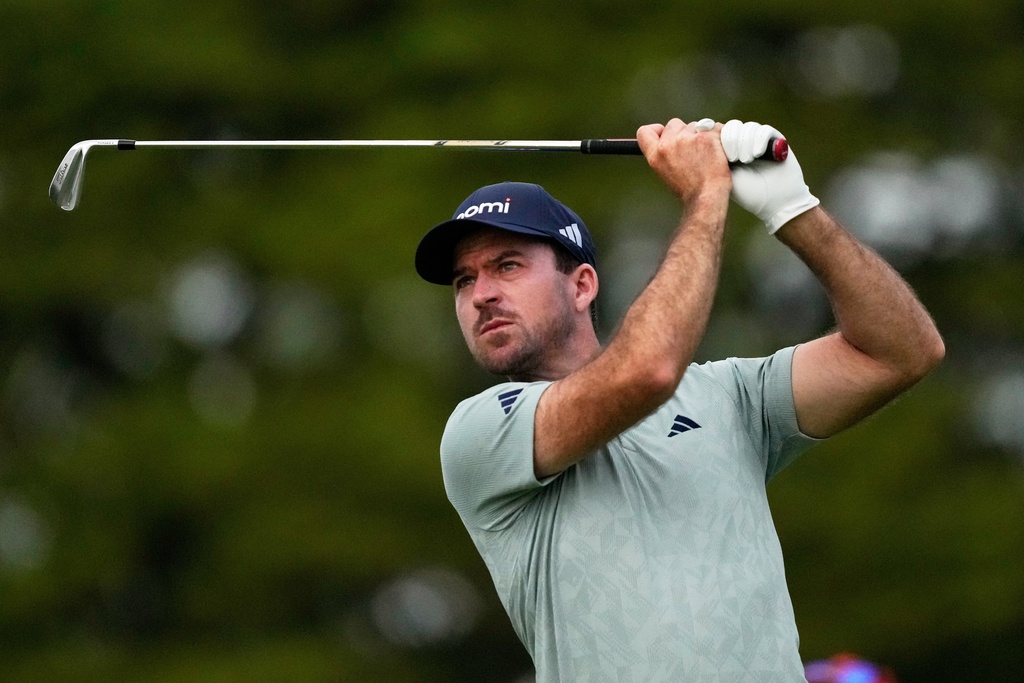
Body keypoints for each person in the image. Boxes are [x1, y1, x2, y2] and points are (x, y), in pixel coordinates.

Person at [413, 118, 944, 681]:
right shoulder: (480, 433)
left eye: (507, 266)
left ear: (582, 285)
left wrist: (793, 209)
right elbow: (647, 371)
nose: (481, 295)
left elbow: (902, 352)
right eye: (464, 281)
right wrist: (706, 191)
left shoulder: (731, 396)